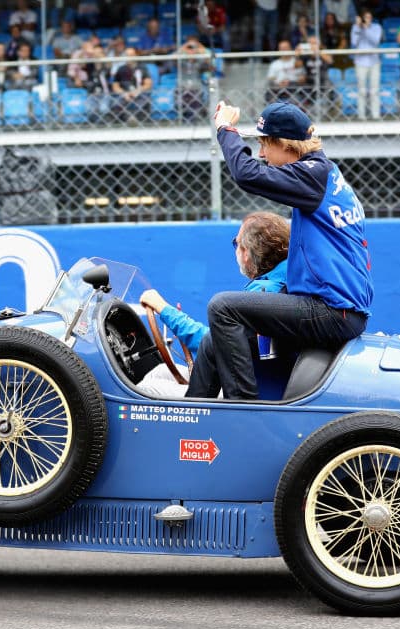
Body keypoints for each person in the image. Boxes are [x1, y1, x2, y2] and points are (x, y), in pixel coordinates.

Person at [197, 100, 372, 400]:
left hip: (331, 312)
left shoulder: (312, 177)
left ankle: (241, 409)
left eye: (265, 145)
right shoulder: (323, 173)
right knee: (213, 341)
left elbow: (246, 174)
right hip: (337, 309)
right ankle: (196, 414)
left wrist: (226, 129)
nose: (262, 154)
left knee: (222, 307)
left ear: (286, 144)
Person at [140, 210, 290, 359]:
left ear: (246, 252)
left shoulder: (263, 293)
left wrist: (164, 309)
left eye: (236, 243)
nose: (236, 250)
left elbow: (212, 344)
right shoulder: (286, 281)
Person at [350, 8, 382, 120]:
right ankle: (361, 115)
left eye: (369, 17)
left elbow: (375, 42)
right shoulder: (355, 27)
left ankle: (375, 115)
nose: (367, 19)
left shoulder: (376, 27)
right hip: (360, 62)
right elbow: (354, 42)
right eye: (365, 17)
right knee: (362, 90)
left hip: (374, 61)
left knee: (374, 90)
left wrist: (366, 28)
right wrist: (359, 28)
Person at [110, 47, 152, 122]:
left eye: (131, 55)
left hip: (140, 94)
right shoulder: (121, 69)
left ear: (136, 55)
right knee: (115, 105)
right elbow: (115, 86)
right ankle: (125, 122)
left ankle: (136, 121)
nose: (128, 57)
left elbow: (148, 84)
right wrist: (124, 93)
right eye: (127, 55)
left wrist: (137, 91)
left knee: (143, 105)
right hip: (125, 94)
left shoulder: (142, 68)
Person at [266, 40, 305, 104]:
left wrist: (290, 82)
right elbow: (270, 79)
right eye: (281, 48)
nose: (284, 50)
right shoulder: (274, 64)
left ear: (290, 48)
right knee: (269, 96)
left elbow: (303, 79)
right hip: (278, 90)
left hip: (293, 89)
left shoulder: (297, 62)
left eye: (286, 47)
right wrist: (279, 84)